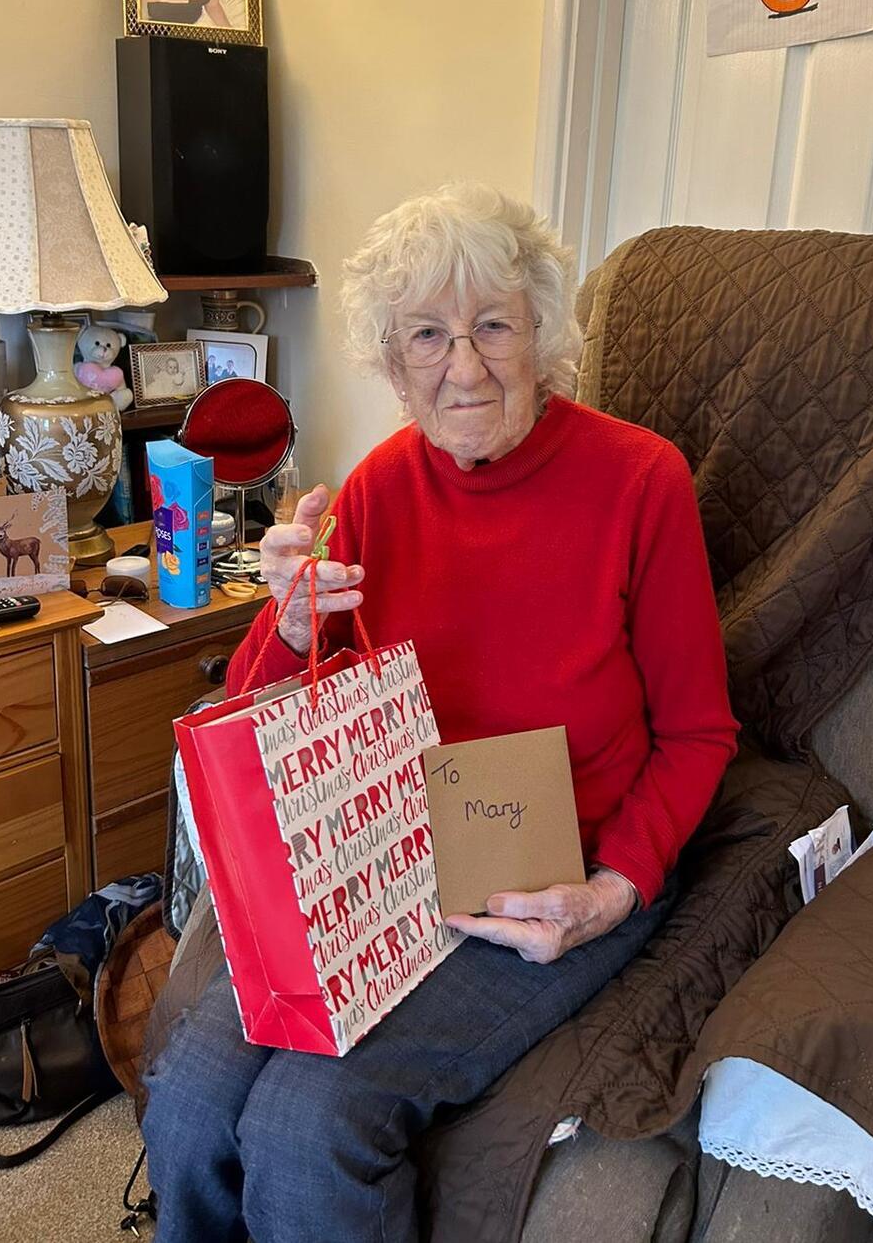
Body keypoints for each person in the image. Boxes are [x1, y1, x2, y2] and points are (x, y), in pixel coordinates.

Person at [142, 183, 739, 1243]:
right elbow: (259, 719)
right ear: (392, 358)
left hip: (555, 867)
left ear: (542, 334)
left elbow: (700, 733)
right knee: (189, 1093)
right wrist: (288, 622)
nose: (464, 368)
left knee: (307, 1123)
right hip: (387, 863)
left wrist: (611, 891)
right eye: (428, 334)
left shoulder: (641, 481)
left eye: (493, 326)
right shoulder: (375, 489)